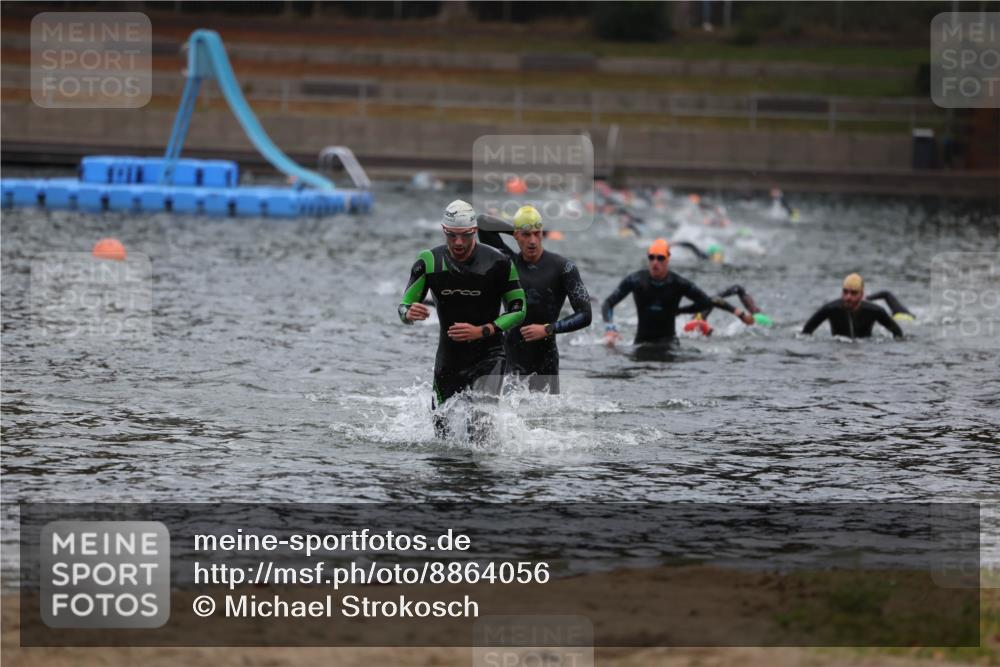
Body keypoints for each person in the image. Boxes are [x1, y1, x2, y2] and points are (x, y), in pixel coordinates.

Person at [398, 200, 526, 436]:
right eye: (452, 235)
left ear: (474, 231)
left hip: (489, 357)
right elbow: (404, 306)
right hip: (449, 359)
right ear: (444, 231)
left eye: (465, 236)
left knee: (479, 428)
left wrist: (483, 330)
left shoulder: (498, 261)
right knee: (442, 436)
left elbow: (518, 309)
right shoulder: (429, 261)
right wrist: (408, 313)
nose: (458, 242)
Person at [477, 205, 592, 393]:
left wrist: (548, 329)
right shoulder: (507, 263)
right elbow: (482, 223)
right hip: (510, 360)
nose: (532, 241)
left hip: (545, 363)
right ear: (516, 236)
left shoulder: (563, 268)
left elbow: (585, 314)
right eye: (526, 234)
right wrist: (514, 229)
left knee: (544, 419)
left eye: (537, 234)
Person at [603, 238, 755, 346]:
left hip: (669, 344)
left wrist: (680, 311)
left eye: (660, 258)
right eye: (652, 257)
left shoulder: (678, 283)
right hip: (641, 343)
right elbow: (608, 303)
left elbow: (707, 301)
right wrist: (610, 328)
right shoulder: (635, 280)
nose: (655, 262)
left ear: (668, 260)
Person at [801, 273, 904, 340]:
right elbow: (805, 334)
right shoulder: (830, 309)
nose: (848, 297)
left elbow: (898, 334)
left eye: (853, 293)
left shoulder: (875, 311)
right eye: (845, 292)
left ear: (862, 294)